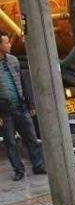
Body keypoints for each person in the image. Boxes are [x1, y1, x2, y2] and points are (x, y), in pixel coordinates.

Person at [0, 31, 45, 181]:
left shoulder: (13, 60)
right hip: (5, 111)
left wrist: (30, 104)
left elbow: (23, 82)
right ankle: (19, 170)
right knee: (10, 142)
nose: (10, 45)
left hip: (21, 106)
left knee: (31, 137)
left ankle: (38, 165)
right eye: (6, 42)